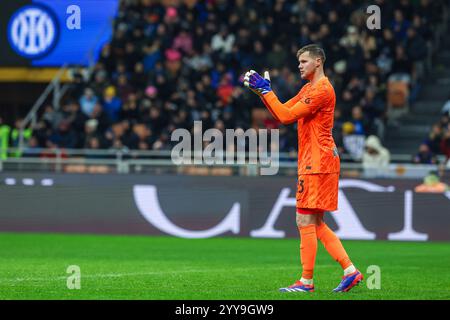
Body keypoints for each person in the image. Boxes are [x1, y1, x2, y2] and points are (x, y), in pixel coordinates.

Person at [244, 44, 362, 293]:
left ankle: (306, 281)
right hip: (317, 160)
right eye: (299, 61)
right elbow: (283, 111)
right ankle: (350, 271)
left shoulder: (321, 90)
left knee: (304, 219)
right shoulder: (309, 88)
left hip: (317, 162)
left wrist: (266, 93)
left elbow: (286, 117)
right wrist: (263, 93)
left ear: (318, 61)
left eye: (304, 61)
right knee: (315, 221)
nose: (299, 65)